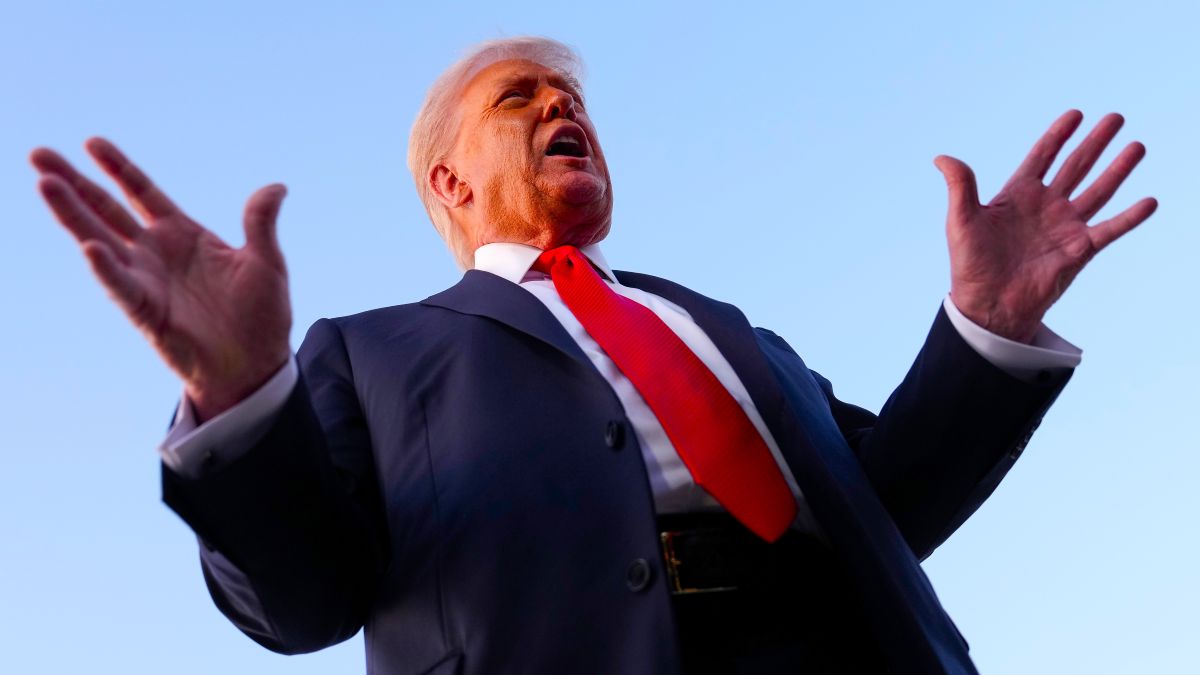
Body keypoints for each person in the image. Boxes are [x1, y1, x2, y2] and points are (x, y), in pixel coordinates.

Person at [31, 37, 1155, 675]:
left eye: (569, 95)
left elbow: (886, 508)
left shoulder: (732, 333)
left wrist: (985, 329)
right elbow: (303, 602)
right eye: (517, 97)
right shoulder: (368, 353)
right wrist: (238, 396)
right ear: (451, 182)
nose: (561, 102)